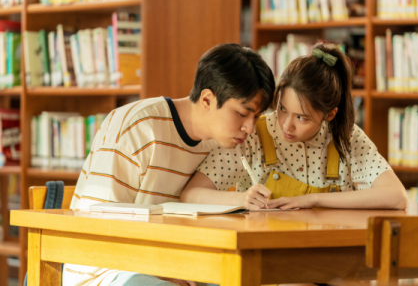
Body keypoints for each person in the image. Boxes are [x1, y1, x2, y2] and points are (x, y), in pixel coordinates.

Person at [64, 43, 276, 286]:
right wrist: (165, 269)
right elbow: (97, 227)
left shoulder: (227, 143)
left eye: (256, 117)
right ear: (207, 99)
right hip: (105, 270)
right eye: (242, 113)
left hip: (176, 264)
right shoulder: (138, 128)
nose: (249, 128)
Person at [181, 41, 408, 213]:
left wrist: (313, 200)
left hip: (334, 259)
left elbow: (397, 197)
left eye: (301, 118)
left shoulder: (346, 137)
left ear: (329, 114)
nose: (286, 125)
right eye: (282, 109)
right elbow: (191, 194)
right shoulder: (253, 133)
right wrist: (242, 199)